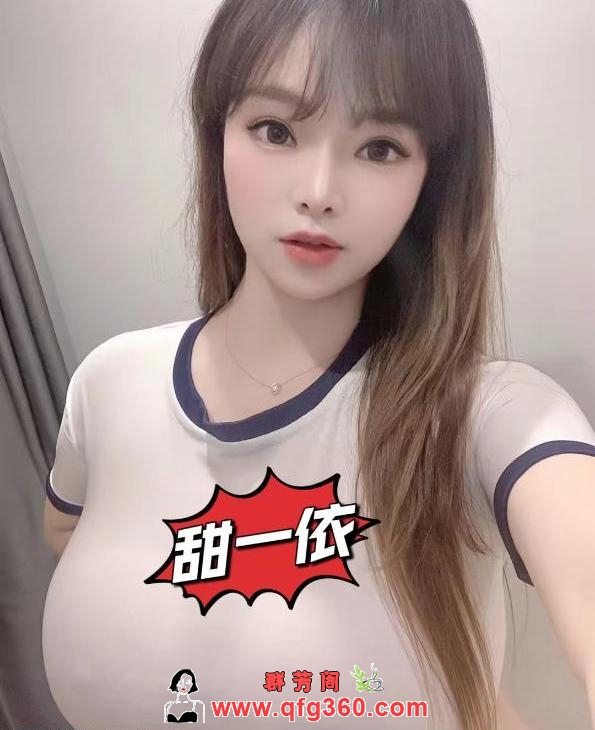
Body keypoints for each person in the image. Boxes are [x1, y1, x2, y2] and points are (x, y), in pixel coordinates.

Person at [41, 2, 595, 729]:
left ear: (432, 176)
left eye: (380, 148)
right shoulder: (110, 382)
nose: (319, 192)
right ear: (216, 132)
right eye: (276, 130)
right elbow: (65, 533)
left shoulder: (484, 415)